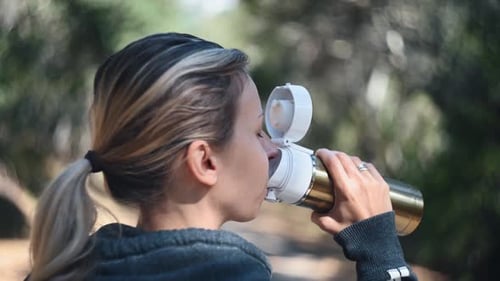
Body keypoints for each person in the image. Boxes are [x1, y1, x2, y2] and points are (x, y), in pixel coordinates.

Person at [27, 32, 417, 281]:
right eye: (257, 131)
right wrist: (382, 252)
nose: (271, 149)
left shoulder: (70, 268)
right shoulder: (232, 275)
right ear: (205, 162)